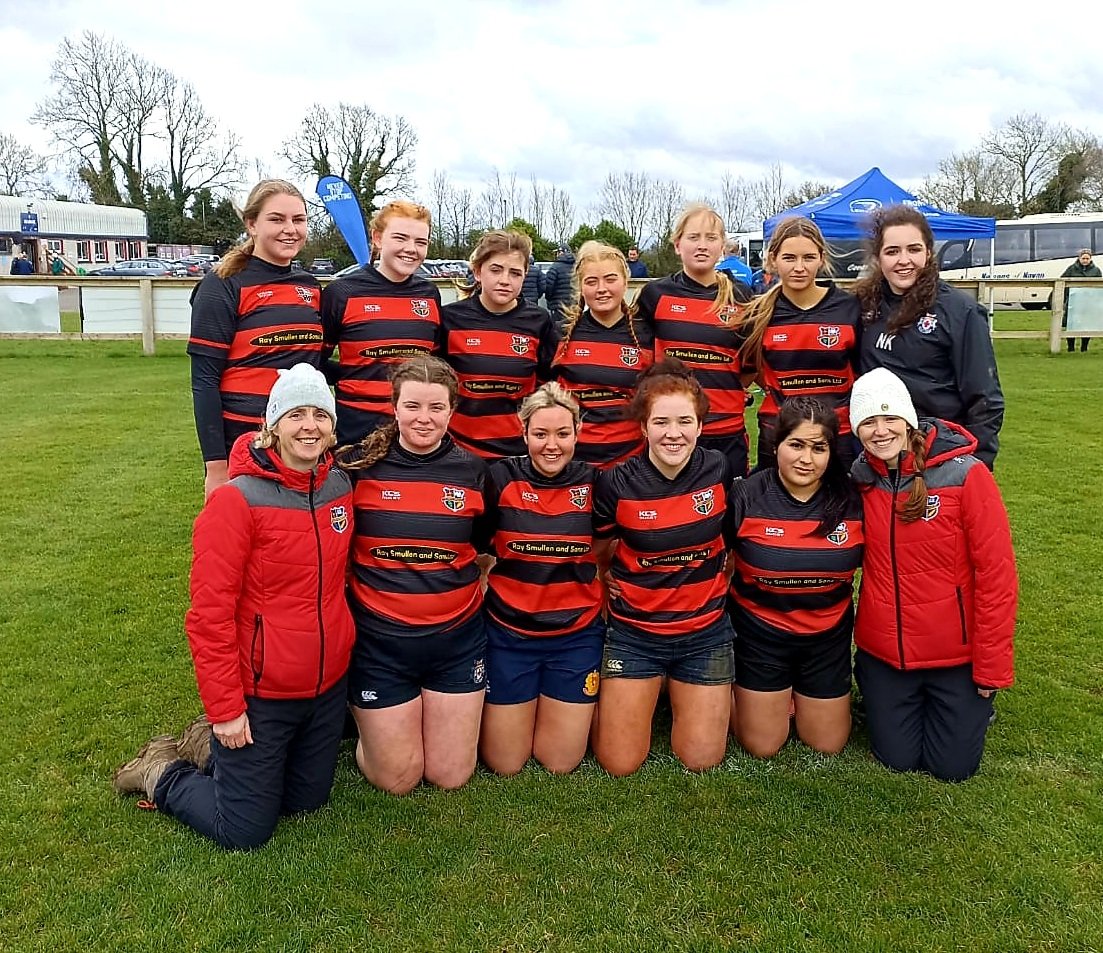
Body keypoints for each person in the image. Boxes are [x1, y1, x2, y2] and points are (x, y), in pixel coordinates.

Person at [113, 364, 355, 849]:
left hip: (325, 687)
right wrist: (226, 708)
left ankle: (212, 747)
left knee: (307, 802)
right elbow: (209, 615)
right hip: (261, 691)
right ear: (271, 425)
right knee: (244, 829)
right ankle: (161, 771)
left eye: (319, 415)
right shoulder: (234, 502)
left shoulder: (339, 488)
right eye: (295, 415)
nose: (309, 425)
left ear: (332, 426)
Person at [849, 367, 1017, 782]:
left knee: (952, 768)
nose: (880, 430)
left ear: (908, 420)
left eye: (889, 418)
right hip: (885, 654)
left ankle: (973, 707)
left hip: (953, 654)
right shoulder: (859, 478)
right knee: (897, 759)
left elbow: (997, 576)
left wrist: (991, 668)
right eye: (868, 421)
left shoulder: (965, 474)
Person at [339, 356, 488, 795]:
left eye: (436, 408)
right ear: (395, 406)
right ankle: (370, 731)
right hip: (379, 643)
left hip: (455, 641)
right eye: (413, 406)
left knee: (450, 776)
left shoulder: (474, 471)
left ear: (452, 410)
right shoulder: (356, 466)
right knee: (399, 779)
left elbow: (484, 546)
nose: (424, 419)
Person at [592, 359, 735, 776]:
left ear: (700, 425)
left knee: (701, 759)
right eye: (661, 422)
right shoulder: (617, 483)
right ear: (643, 427)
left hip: (704, 632)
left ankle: (698, 694)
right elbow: (600, 548)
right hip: (636, 632)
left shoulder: (718, 469)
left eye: (684, 421)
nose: (673, 433)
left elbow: (732, 540)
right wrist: (606, 578)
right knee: (619, 763)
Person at [728, 396, 863, 758]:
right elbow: (719, 562)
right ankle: (733, 689)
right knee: (762, 745)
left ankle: (795, 693)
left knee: (827, 744)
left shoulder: (852, 499)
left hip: (826, 635)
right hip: (761, 633)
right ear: (777, 445)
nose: (806, 459)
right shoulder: (746, 495)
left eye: (819, 448)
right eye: (796, 445)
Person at [479, 383, 603, 776]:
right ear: (524, 432)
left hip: (575, 634)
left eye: (563, 434)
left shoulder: (595, 484)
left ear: (578, 432)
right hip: (509, 633)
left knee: (560, 762)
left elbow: (612, 545)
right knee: (505, 763)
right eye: (541, 434)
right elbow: (477, 546)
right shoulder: (499, 478)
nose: (552, 445)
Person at [187, 179, 322, 498]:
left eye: (298, 220)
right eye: (277, 219)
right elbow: (204, 380)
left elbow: (310, 364)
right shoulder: (222, 285)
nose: (290, 229)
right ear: (252, 224)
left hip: (301, 439)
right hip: (245, 443)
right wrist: (216, 468)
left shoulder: (310, 287)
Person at [854, 205, 1004, 469]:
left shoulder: (960, 311)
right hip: (877, 454)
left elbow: (985, 399)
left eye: (913, 249)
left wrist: (977, 465)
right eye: (892, 251)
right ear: (878, 257)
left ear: (928, 252)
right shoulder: (862, 305)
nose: (904, 260)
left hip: (939, 454)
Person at [635, 202, 754, 478]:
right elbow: (642, 361)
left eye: (711, 238)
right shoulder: (655, 295)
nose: (702, 245)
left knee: (730, 514)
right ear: (678, 245)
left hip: (726, 430)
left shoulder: (742, 297)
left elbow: (751, 366)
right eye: (693, 237)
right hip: (671, 433)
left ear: (722, 246)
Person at [739, 217, 861, 470]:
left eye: (808, 257)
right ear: (773, 259)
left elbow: (862, 371)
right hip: (780, 433)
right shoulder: (758, 313)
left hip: (839, 435)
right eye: (789, 258)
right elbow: (750, 372)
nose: (799, 267)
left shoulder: (849, 308)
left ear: (821, 257)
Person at [321, 200, 443, 445]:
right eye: (400, 238)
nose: (411, 249)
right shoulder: (341, 292)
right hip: (356, 426)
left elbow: (437, 363)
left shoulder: (429, 295)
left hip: (413, 428)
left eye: (421, 242)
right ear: (377, 238)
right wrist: (355, 376)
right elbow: (317, 359)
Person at [441, 230, 557, 459]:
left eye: (515, 273)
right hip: (458, 450)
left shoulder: (539, 322)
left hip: (518, 454)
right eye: (496, 270)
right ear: (477, 271)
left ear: (525, 276)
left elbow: (545, 388)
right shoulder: (449, 319)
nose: (505, 280)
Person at [553, 240, 654, 468]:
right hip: (575, 463)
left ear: (625, 281)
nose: (602, 289)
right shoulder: (559, 333)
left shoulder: (647, 334)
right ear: (580, 286)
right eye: (591, 281)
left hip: (633, 462)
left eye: (610, 279)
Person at [1060, 248, 1100, 353]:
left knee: (1086, 324)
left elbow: (1099, 285)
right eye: (1083, 258)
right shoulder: (1072, 269)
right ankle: (1071, 348)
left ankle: (1084, 347)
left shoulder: (1096, 270)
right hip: (1073, 301)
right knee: (1071, 324)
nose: (1085, 260)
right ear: (1079, 258)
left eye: (1087, 258)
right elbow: (1062, 281)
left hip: (1088, 302)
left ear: (1091, 259)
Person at [544, 242, 577, 327]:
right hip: (574, 305)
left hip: (558, 306)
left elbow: (548, 287)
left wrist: (549, 299)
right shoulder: (577, 267)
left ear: (561, 252)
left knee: (557, 331)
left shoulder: (555, 267)